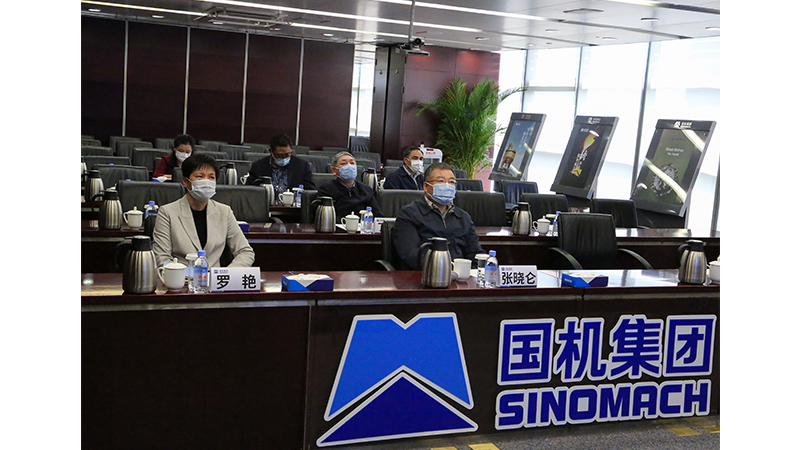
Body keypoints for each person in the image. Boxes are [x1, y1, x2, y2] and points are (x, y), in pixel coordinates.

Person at [153, 153, 255, 268]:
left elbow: (245, 251)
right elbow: (161, 257)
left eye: (211, 177)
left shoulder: (224, 212)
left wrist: (227, 273)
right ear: (185, 182)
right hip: (181, 277)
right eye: (200, 176)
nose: (206, 181)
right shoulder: (167, 212)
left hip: (216, 277)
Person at [392, 162, 484, 270]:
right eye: (441, 181)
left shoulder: (463, 217)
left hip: (461, 276)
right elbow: (410, 256)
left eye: (451, 182)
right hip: (425, 274)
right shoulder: (409, 214)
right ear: (426, 186)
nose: (447, 185)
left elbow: (475, 253)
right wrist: (447, 268)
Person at [317, 151, 383, 222]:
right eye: (343, 163)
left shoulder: (366, 189)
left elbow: (378, 216)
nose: (349, 166)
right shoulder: (326, 189)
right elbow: (323, 217)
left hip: (363, 226)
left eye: (352, 163)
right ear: (334, 170)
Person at [245, 133, 315, 191]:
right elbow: (249, 191)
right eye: (280, 155)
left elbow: (310, 192)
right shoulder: (258, 167)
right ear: (271, 152)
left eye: (287, 154)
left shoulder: (302, 166)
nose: (284, 158)